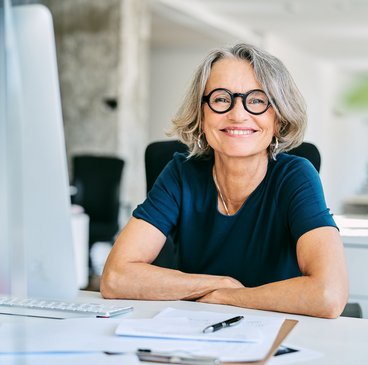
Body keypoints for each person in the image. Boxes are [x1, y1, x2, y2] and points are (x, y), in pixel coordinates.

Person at [101, 43, 348, 318]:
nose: (238, 114)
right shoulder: (181, 173)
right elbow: (115, 277)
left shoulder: (296, 176)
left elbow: (329, 294)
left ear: (278, 118)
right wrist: (219, 284)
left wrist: (233, 297)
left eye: (256, 100)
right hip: (194, 330)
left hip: (277, 334)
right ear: (201, 114)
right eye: (220, 99)